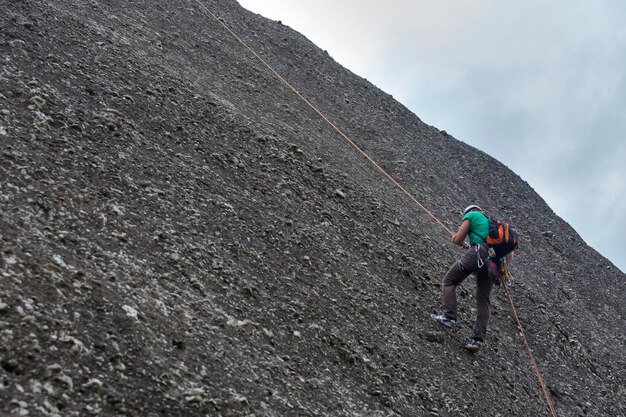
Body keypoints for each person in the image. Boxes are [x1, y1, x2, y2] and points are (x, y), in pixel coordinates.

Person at [431, 204, 512, 353]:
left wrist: (456, 238)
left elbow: (457, 239)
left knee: (449, 281)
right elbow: (510, 253)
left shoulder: (471, 216)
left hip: (478, 254)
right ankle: (477, 340)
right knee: (483, 299)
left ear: (468, 212)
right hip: (493, 263)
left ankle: (449, 316)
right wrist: (502, 270)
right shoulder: (494, 225)